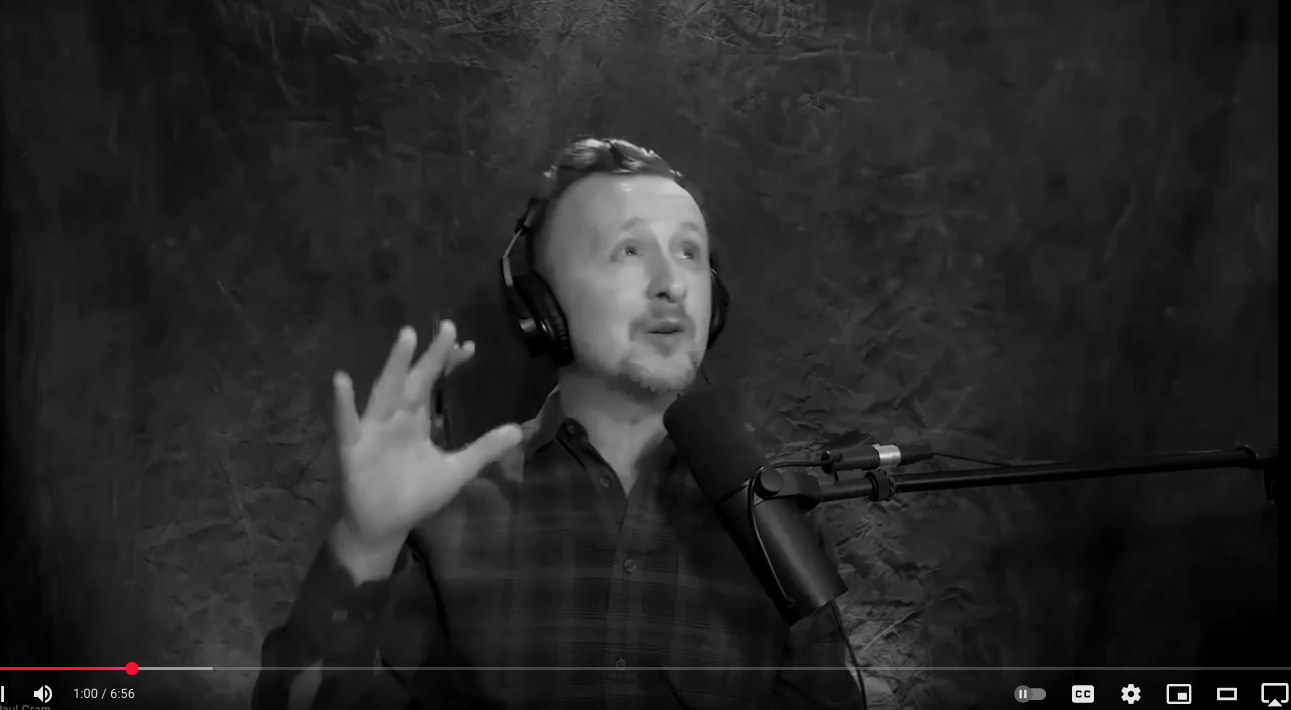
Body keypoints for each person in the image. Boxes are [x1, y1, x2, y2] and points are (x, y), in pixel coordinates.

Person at [252, 138, 867, 710]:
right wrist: (365, 541)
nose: (672, 285)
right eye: (629, 250)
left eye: (689, 252)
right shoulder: (451, 511)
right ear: (539, 307)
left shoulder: (777, 519)